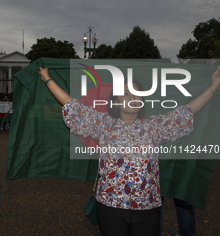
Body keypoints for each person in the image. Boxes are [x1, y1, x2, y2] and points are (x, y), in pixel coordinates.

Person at [37, 66, 220, 236]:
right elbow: (71, 105)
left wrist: (214, 86)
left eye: (136, 94)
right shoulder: (104, 125)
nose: (131, 97)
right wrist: (47, 79)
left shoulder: (154, 127)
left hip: (148, 209)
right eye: (125, 94)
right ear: (115, 101)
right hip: (110, 208)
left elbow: (187, 112)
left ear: (142, 100)